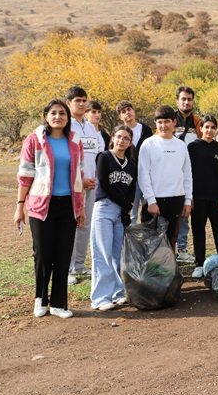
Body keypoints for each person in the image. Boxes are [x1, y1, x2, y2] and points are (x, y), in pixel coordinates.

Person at [15, 99, 85, 319]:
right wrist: (19, 207)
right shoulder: (34, 140)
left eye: (62, 114)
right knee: (43, 255)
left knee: (63, 255)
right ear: (46, 116)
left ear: (68, 118)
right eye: (53, 113)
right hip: (41, 206)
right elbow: (25, 175)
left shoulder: (75, 141)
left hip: (68, 206)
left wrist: (80, 209)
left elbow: (79, 177)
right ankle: (40, 300)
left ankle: (59, 303)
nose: (58, 117)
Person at [90, 126, 136, 311]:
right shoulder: (104, 157)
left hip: (121, 213)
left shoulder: (131, 164)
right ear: (113, 139)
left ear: (130, 142)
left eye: (126, 138)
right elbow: (104, 183)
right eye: (119, 137)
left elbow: (131, 189)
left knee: (117, 255)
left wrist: (127, 208)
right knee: (102, 254)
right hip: (104, 208)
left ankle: (117, 292)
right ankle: (100, 298)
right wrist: (124, 204)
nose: (121, 141)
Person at [138, 105, 193, 251]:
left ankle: (167, 271)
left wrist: (188, 200)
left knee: (170, 239)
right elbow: (143, 174)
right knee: (151, 240)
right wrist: (150, 200)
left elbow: (187, 174)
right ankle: (150, 272)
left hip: (176, 199)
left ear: (174, 122)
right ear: (155, 123)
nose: (164, 126)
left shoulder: (181, 145)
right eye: (160, 122)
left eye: (167, 121)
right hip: (155, 200)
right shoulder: (148, 144)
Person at [65, 86, 105, 285]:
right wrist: (79, 180)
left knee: (85, 225)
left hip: (91, 185)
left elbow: (99, 154)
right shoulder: (66, 126)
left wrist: (95, 178)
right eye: (77, 100)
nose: (81, 104)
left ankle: (79, 265)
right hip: (73, 185)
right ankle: (68, 268)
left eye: (83, 100)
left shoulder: (90, 127)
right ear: (68, 103)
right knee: (70, 225)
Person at [187, 115, 218, 278]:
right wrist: (189, 197)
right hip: (197, 198)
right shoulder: (192, 147)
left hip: (215, 199)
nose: (209, 130)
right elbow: (187, 173)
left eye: (213, 127)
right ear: (200, 128)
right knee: (198, 231)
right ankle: (199, 263)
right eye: (206, 127)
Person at [173, 85, 202, 264]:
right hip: (171, 173)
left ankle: (183, 249)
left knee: (186, 212)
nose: (186, 102)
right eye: (183, 99)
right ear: (177, 101)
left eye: (189, 99)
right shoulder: (170, 119)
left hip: (192, 173)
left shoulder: (197, 122)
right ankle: (168, 249)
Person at [116, 100, 153, 223]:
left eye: (129, 109)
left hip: (147, 176)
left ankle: (146, 240)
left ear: (134, 111)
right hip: (129, 177)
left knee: (149, 210)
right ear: (120, 116)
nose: (127, 113)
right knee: (131, 212)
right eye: (123, 111)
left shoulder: (146, 130)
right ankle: (129, 241)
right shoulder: (120, 134)